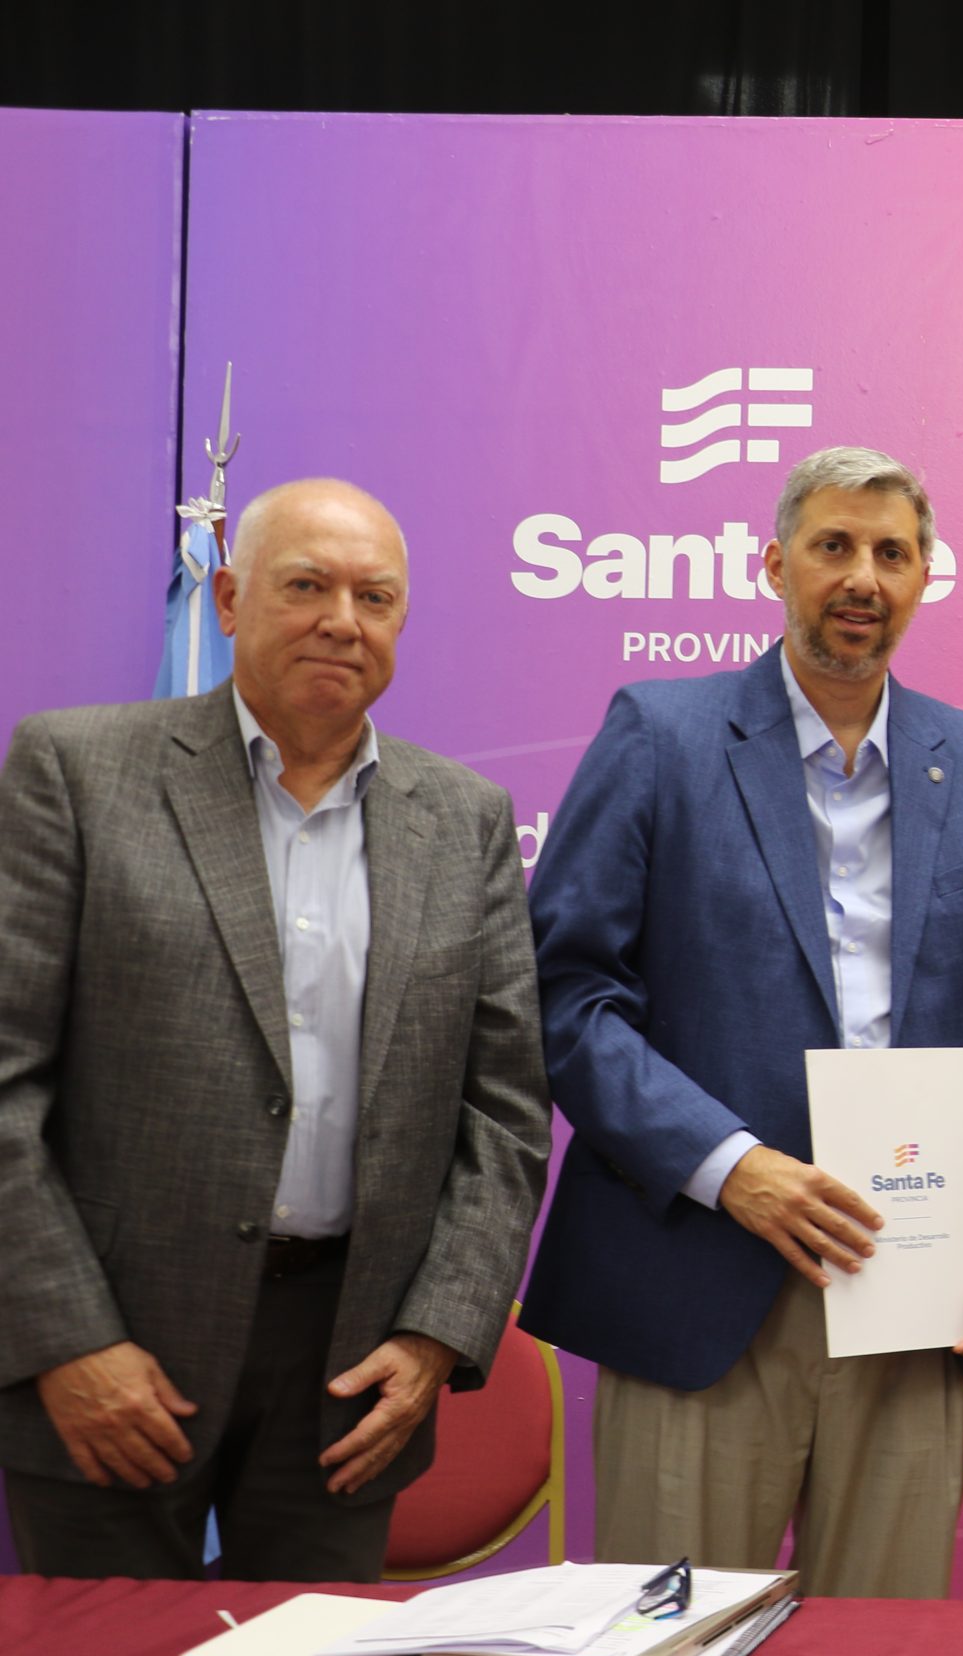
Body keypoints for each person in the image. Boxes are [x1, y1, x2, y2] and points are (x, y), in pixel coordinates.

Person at [521, 445, 963, 1599]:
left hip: (914, 1299)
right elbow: (565, 995)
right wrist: (731, 1168)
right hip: (697, 1282)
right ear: (775, 565)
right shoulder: (660, 733)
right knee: (669, 1651)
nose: (862, 577)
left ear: (924, 576)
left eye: (892, 553)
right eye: (833, 546)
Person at [0, 478, 551, 1580]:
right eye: (306, 586)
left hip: (347, 1375)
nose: (342, 620)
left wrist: (434, 1333)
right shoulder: (78, 771)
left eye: (374, 597)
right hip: (118, 1356)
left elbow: (505, 1113)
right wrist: (68, 1339)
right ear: (228, 599)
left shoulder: (464, 820)